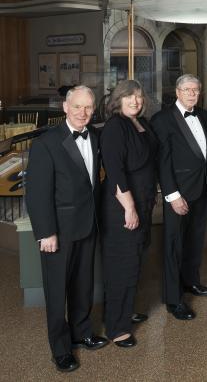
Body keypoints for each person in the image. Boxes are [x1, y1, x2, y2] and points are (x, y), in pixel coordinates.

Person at [26, 85, 108, 372]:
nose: (83, 113)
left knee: (82, 284)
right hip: (57, 231)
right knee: (57, 290)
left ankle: (82, 332)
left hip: (88, 224)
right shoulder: (46, 143)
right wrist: (45, 232)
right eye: (77, 107)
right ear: (65, 108)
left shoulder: (96, 136)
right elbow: (36, 193)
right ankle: (60, 349)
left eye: (88, 107)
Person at [99, 80, 159, 348]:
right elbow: (116, 173)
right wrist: (130, 208)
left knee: (134, 263)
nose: (135, 101)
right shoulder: (114, 127)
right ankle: (116, 326)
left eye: (138, 96)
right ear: (118, 100)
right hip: (122, 207)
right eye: (129, 97)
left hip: (142, 203)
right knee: (121, 267)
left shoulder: (141, 123)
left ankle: (125, 312)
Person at [151, 74, 207, 320]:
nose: (192, 94)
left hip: (202, 189)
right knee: (174, 245)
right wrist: (172, 194)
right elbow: (163, 162)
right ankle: (173, 298)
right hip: (178, 193)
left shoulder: (204, 116)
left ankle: (191, 282)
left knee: (195, 241)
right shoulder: (162, 120)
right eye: (187, 90)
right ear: (177, 92)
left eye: (195, 90)